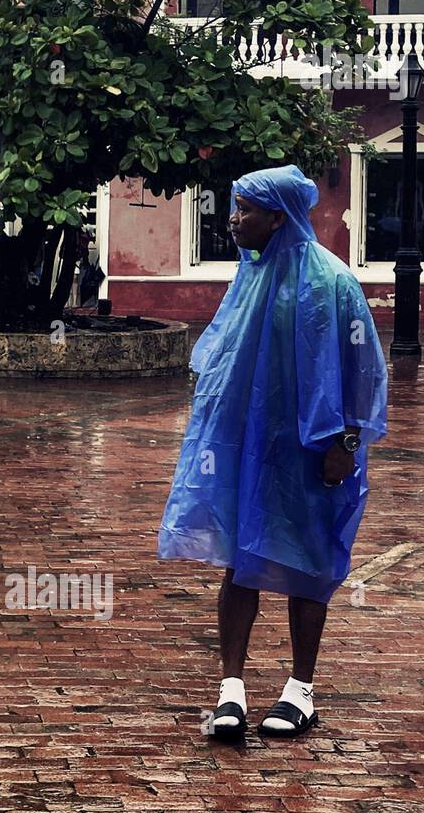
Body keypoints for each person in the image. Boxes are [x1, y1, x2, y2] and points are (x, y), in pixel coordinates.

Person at [157, 165, 389, 741]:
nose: (232, 219)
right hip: (245, 448)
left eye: (243, 210)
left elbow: (364, 373)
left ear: (277, 217)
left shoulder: (333, 282)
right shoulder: (248, 278)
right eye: (234, 207)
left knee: (308, 563)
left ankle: (300, 689)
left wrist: (347, 444)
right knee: (241, 559)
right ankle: (230, 689)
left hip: (311, 451)